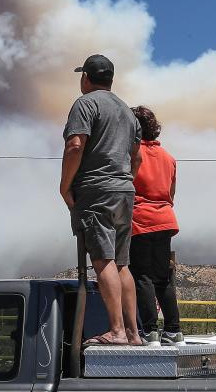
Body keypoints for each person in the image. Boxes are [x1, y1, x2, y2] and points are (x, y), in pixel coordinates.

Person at [60, 54, 142, 346]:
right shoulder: (127, 112)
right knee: (122, 263)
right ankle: (133, 333)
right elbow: (137, 157)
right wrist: (124, 180)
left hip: (96, 191)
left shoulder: (85, 104)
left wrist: (65, 185)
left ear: (86, 78)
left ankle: (117, 330)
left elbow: (75, 145)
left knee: (102, 258)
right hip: (124, 191)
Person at [128, 105, 181, 346]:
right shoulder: (168, 157)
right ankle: (174, 330)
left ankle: (149, 331)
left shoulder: (131, 153)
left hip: (140, 220)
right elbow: (171, 194)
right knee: (162, 278)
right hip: (165, 220)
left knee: (143, 277)